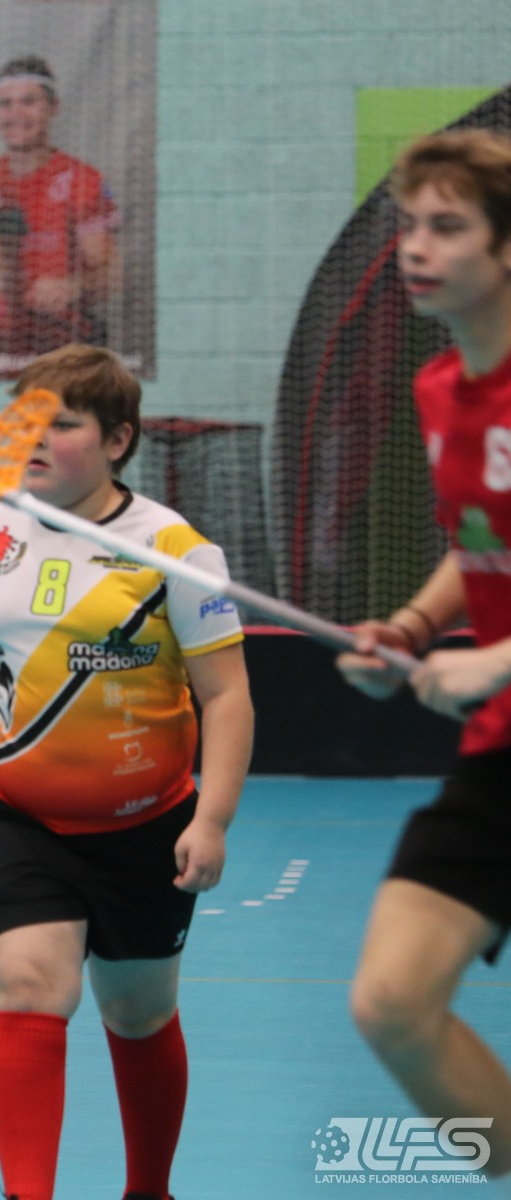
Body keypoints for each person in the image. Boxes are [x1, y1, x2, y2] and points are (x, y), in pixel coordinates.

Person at [0, 344, 254, 1200]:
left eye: (63, 423)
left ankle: (149, 1190)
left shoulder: (177, 551)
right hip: (20, 820)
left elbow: (227, 695)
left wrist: (213, 819)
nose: (37, 438)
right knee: (29, 985)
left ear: (117, 440)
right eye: (27, 420)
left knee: (138, 1012)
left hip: (147, 827)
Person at [338, 128, 511, 1187]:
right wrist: (408, 628)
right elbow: (482, 543)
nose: (415, 246)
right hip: (504, 752)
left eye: (448, 226)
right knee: (393, 1004)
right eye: (410, 225)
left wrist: (495, 664)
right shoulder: (441, 389)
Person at [0, 56, 121, 375]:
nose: (16, 115)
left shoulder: (81, 180)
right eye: (5, 104)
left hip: (63, 347)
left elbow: (111, 274)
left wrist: (72, 286)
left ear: (54, 108)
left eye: (29, 102)